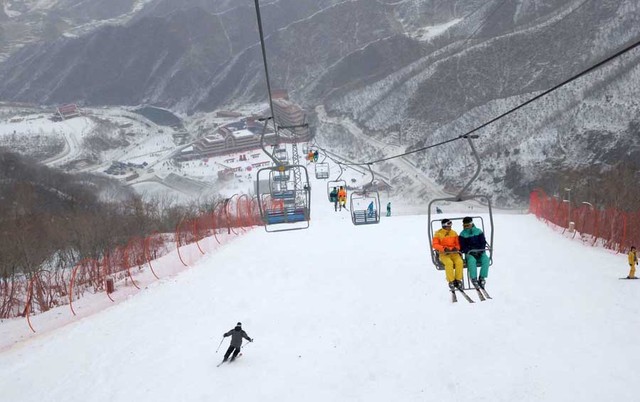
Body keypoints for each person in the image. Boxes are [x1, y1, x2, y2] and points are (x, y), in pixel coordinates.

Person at [433, 218, 464, 290]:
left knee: (459, 262)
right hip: (444, 254)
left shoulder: (454, 233)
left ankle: (458, 280)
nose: (450, 227)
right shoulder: (438, 234)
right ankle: (451, 281)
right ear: (444, 226)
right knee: (449, 263)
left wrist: (456, 248)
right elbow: (435, 244)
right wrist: (443, 248)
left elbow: (458, 244)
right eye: (448, 225)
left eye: (450, 225)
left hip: (454, 253)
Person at [459, 217, 490, 288]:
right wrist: (470, 251)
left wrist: (480, 251)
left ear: (471, 224)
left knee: (486, 260)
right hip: (470, 253)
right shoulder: (462, 234)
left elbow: (483, 242)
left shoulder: (478, 231)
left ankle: (482, 277)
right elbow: (463, 246)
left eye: (467, 225)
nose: (466, 227)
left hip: (480, 252)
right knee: (472, 261)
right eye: (464, 225)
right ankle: (474, 278)